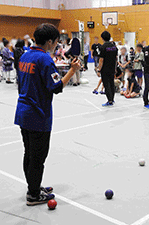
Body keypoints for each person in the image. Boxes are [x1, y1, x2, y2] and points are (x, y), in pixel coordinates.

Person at [14, 23, 81, 206]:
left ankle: (33, 187)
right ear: (50, 41)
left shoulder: (25, 56)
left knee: (29, 154)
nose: (57, 46)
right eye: (57, 42)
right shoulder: (44, 59)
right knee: (38, 157)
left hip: (23, 112)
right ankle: (34, 195)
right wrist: (72, 71)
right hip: (38, 115)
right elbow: (56, 87)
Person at [98, 31, 118, 107]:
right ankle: (112, 99)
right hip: (112, 68)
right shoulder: (114, 47)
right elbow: (116, 58)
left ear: (102, 38)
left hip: (105, 69)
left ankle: (109, 101)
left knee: (106, 85)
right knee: (111, 84)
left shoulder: (103, 47)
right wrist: (115, 68)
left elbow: (101, 60)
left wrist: (99, 70)